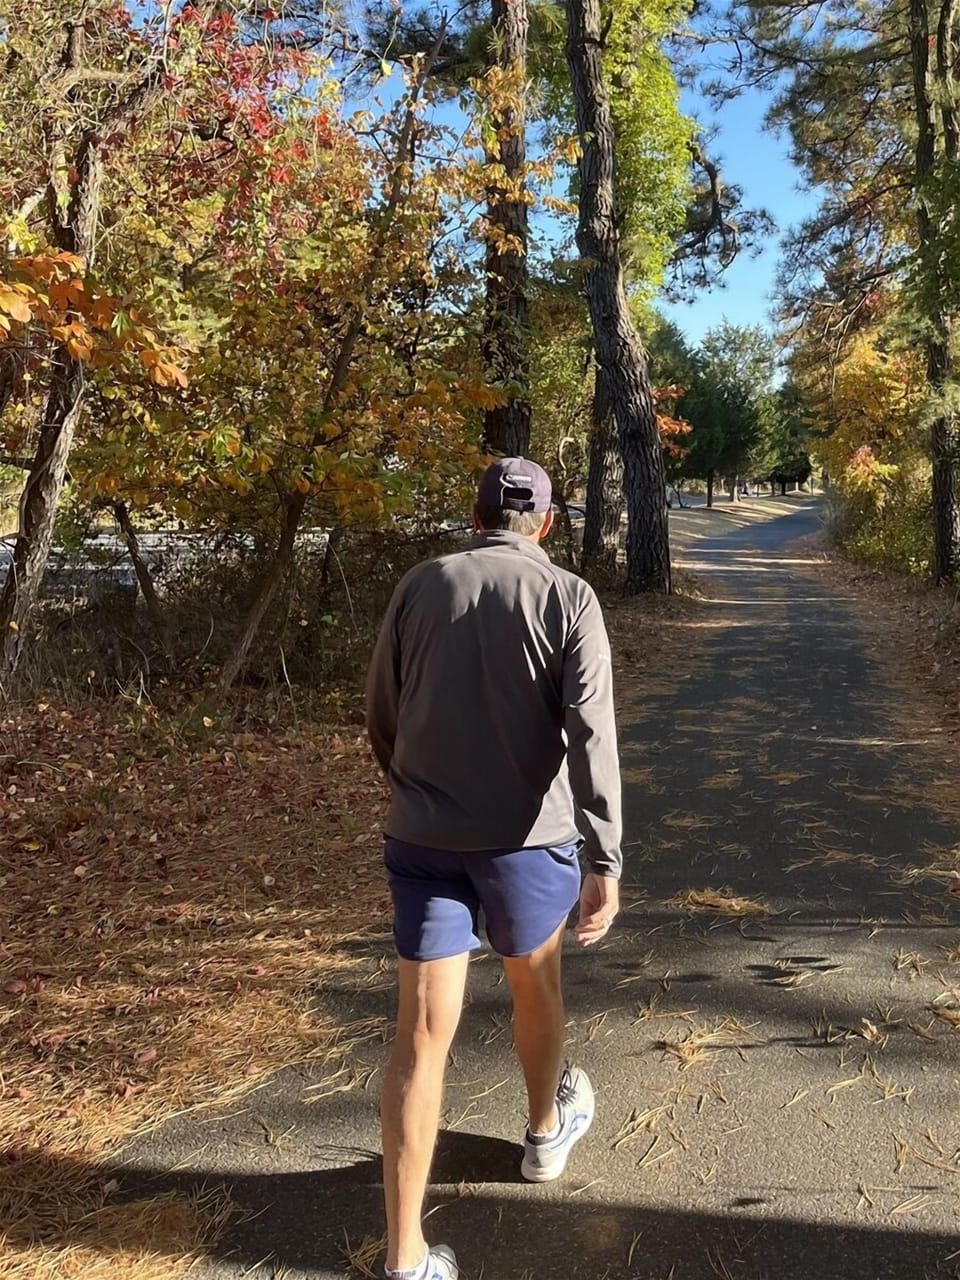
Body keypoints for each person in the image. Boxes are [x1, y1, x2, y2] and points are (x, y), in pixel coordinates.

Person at [366, 457, 623, 1280]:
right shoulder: (569, 598)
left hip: (424, 841)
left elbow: (382, 711)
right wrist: (604, 855)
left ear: (475, 511)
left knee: (420, 1033)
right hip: (527, 843)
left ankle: (406, 1259)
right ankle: (545, 1132)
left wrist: (418, 795)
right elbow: (592, 737)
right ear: (544, 524)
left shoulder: (420, 585)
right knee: (532, 984)